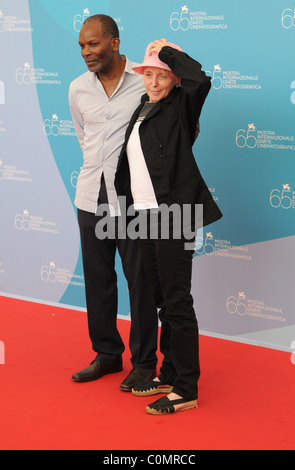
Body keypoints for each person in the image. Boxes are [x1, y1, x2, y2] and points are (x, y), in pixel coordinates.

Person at [115, 39, 222, 414]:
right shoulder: (143, 108)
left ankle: (187, 389)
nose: (154, 82)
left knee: (177, 302)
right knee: (163, 301)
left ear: (174, 80)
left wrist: (168, 54)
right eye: (149, 75)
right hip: (144, 215)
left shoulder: (180, 105)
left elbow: (201, 81)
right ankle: (170, 371)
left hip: (173, 213)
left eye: (162, 76)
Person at [68, 14, 158, 391]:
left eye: (94, 44)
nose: (87, 52)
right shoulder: (77, 89)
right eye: (82, 46)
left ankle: (144, 363)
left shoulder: (145, 82)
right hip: (91, 195)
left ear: (115, 43)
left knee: (141, 282)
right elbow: (83, 137)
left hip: (133, 199)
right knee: (98, 280)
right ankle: (106, 354)